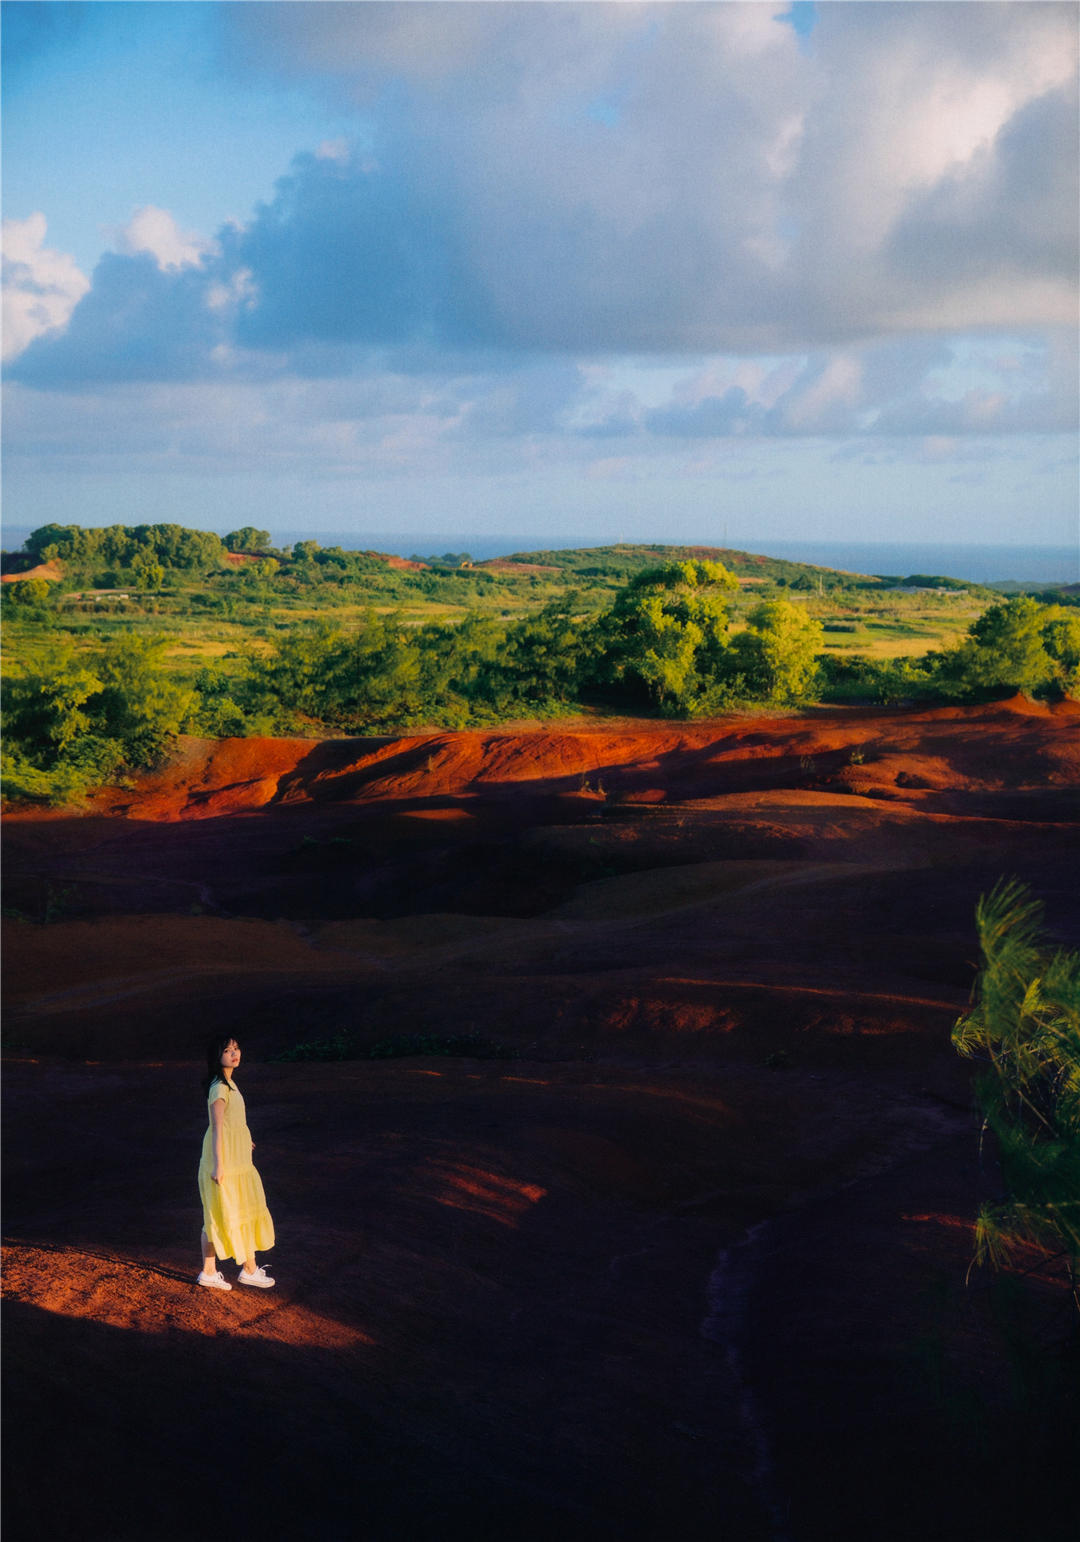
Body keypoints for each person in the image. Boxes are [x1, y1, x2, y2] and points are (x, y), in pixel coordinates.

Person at [196, 1035, 276, 1291]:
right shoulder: (219, 1087)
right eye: (228, 1050)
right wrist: (218, 1166)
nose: (234, 1053)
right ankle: (218, 1271)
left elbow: (233, 1123)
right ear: (217, 1056)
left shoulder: (229, 1084)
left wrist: (244, 1140)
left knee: (242, 1209)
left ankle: (242, 1269)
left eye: (236, 1048)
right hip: (225, 1163)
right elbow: (217, 1127)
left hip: (238, 1160)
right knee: (218, 1215)